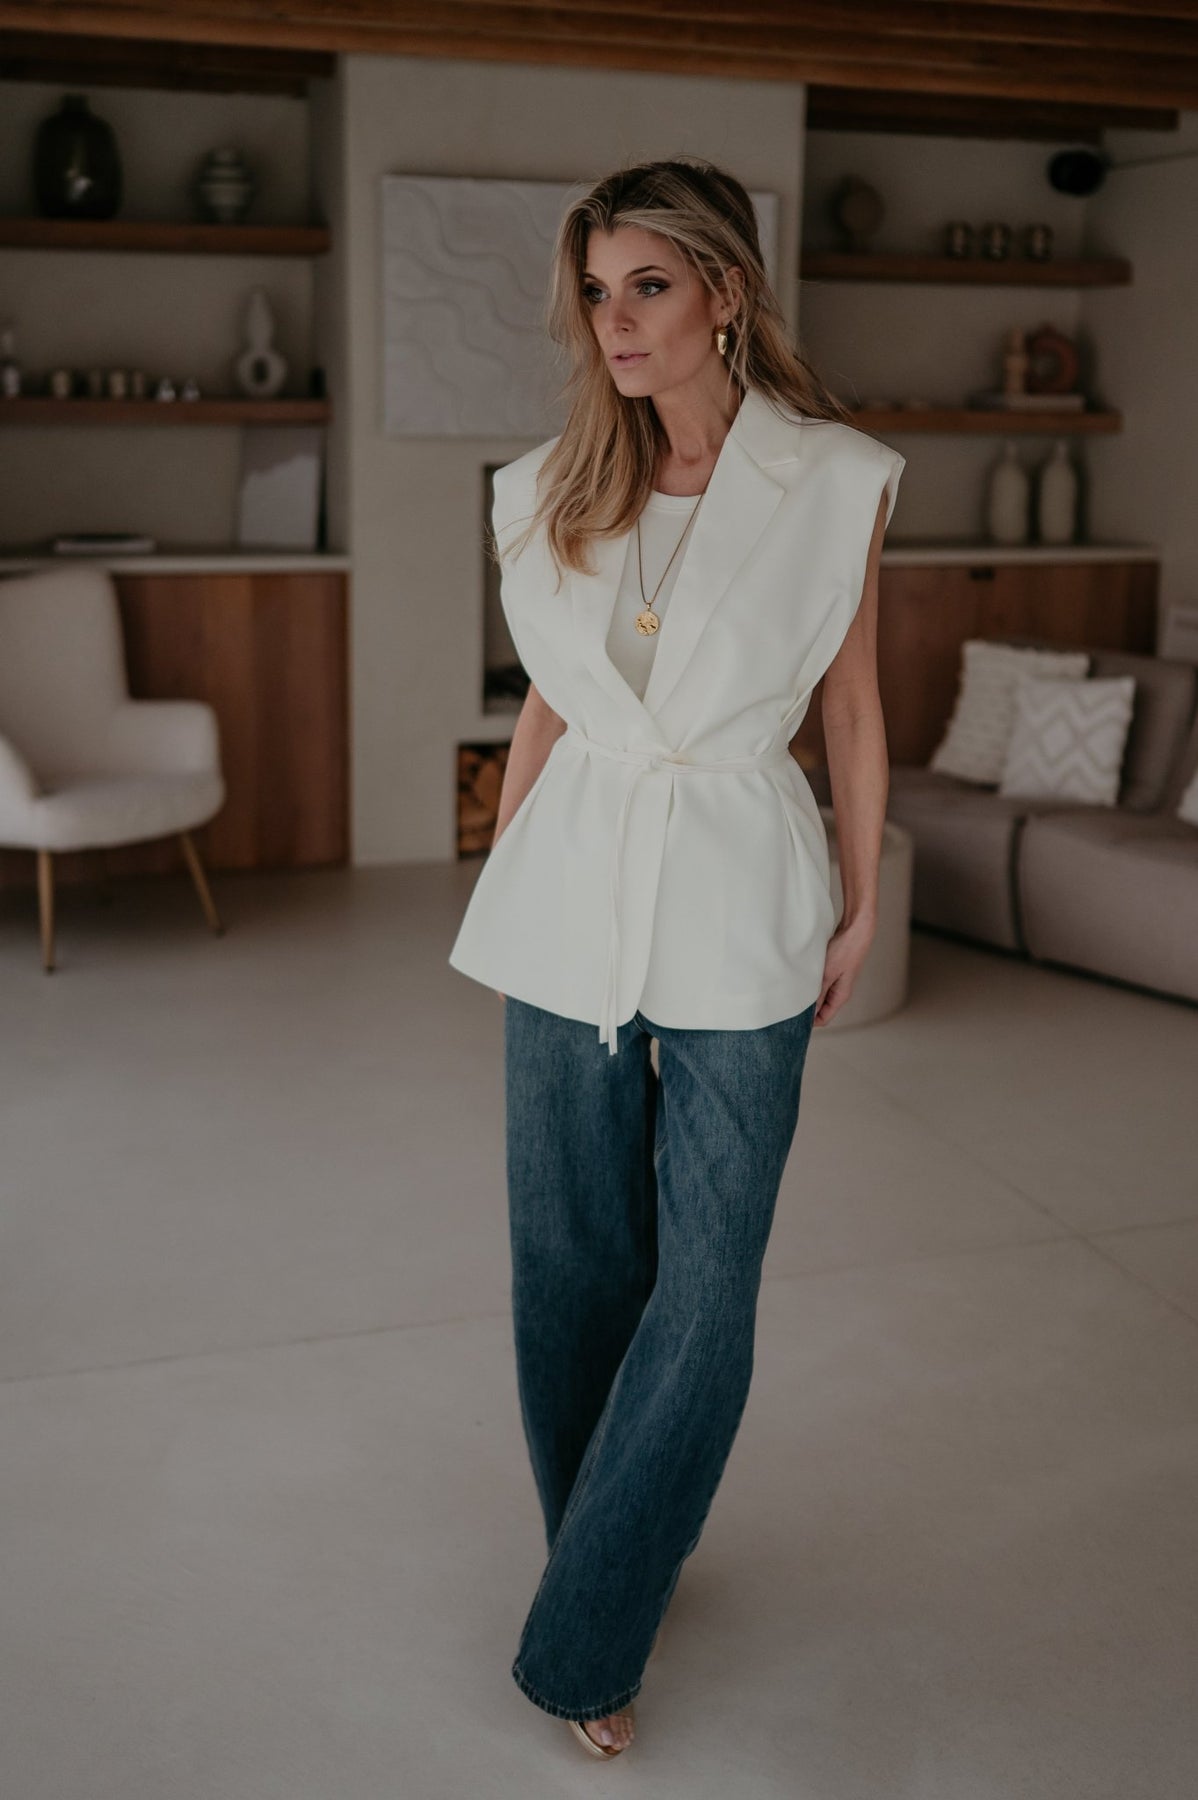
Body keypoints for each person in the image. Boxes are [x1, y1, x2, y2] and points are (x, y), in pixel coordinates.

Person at [448, 157, 905, 1758]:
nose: (615, 321)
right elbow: (548, 704)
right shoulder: (549, 486)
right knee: (571, 1266)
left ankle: (585, 1634)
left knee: (703, 1291)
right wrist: (511, 870)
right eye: (595, 292)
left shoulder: (833, 479)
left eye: (647, 285)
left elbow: (850, 705)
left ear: (726, 289)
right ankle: (616, 1554)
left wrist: (861, 899)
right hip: (567, 895)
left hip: (741, 893)